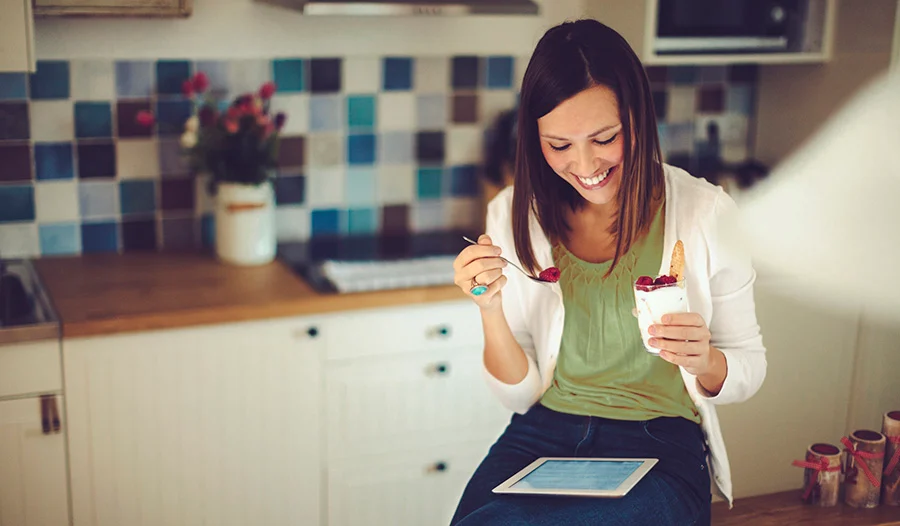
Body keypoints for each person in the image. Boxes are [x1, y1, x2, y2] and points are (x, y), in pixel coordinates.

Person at [450, 19, 766, 525]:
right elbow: (520, 393)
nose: (585, 163)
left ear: (637, 118)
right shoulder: (513, 215)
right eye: (559, 146)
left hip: (660, 437)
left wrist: (706, 361)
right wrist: (489, 308)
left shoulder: (707, 213)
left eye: (604, 138)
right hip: (544, 431)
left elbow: (749, 367)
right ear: (535, 139)